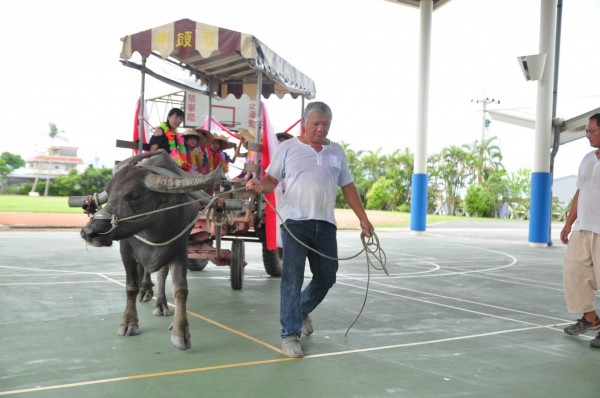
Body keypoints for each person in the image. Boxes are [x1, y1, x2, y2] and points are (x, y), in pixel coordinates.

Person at [245, 101, 374, 358]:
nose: (320, 129)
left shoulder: (336, 151)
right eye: (315, 124)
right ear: (305, 122)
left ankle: (301, 308)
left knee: (327, 276)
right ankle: (290, 335)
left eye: (325, 124)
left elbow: (347, 186)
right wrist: (259, 185)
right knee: (292, 278)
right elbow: (271, 180)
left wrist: (363, 218)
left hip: (325, 224)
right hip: (295, 223)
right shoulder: (288, 148)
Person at [560, 113, 600, 348]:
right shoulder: (587, 159)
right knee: (573, 272)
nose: (587, 136)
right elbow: (580, 192)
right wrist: (568, 223)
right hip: (583, 227)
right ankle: (590, 318)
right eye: (586, 131)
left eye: (590, 131)